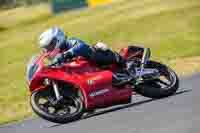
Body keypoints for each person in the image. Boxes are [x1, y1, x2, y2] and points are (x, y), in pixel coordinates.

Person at [38, 27, 135, 86]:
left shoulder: (70, 42)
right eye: (47, 47)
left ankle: (125, 62)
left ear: (58, 38)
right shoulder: (57, 55)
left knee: (95, 53)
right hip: (87, 72)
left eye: (50, 45)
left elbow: (82, 47)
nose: (49, 49)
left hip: (93, 58)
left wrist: (66, 54)